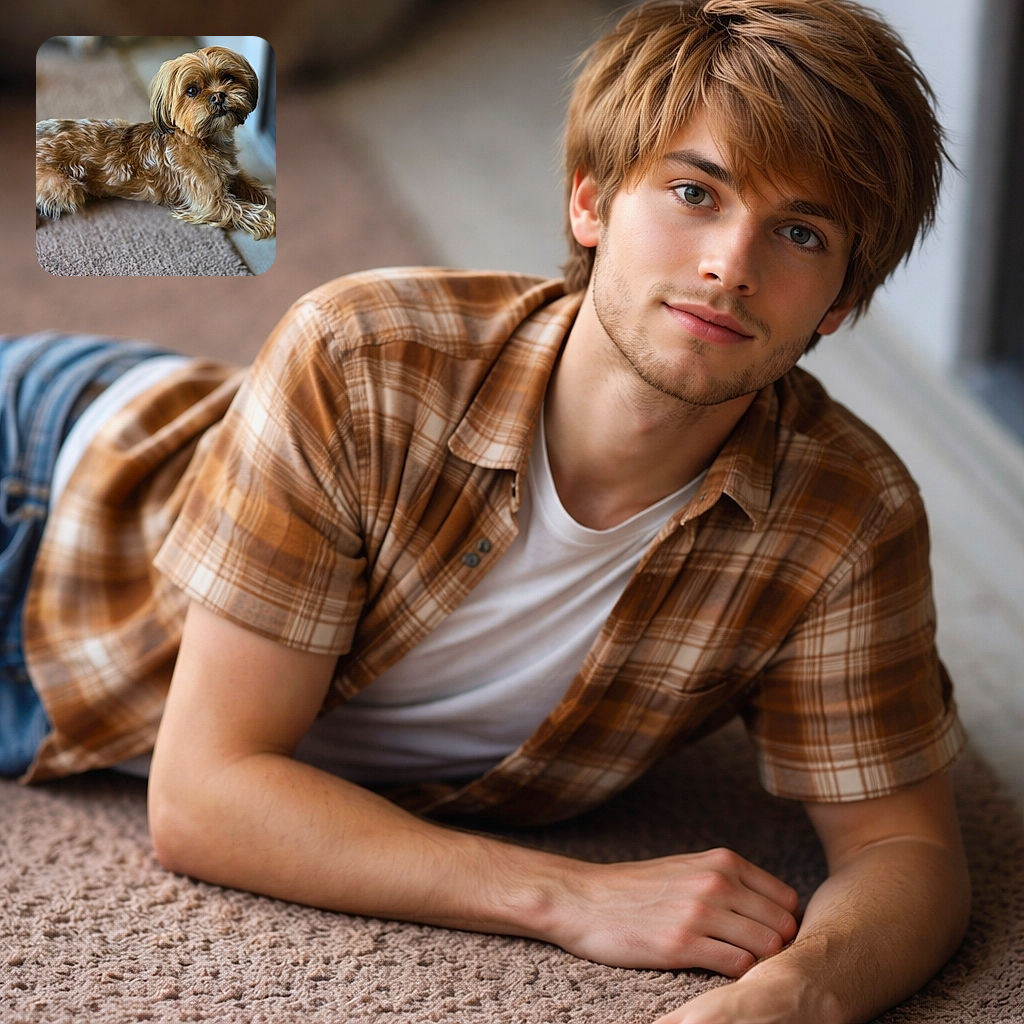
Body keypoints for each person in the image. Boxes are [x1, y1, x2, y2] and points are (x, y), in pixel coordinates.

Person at [2, 1, 970, 1021]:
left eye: (799, 232)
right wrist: (569, 894)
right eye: (693, 192)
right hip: (48, 493)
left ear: (838, 303)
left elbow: (908, 850)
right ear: (590, 204)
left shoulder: (846, 522)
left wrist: (791, 996)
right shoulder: (358, 348)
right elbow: (205, 797)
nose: (731, 264)